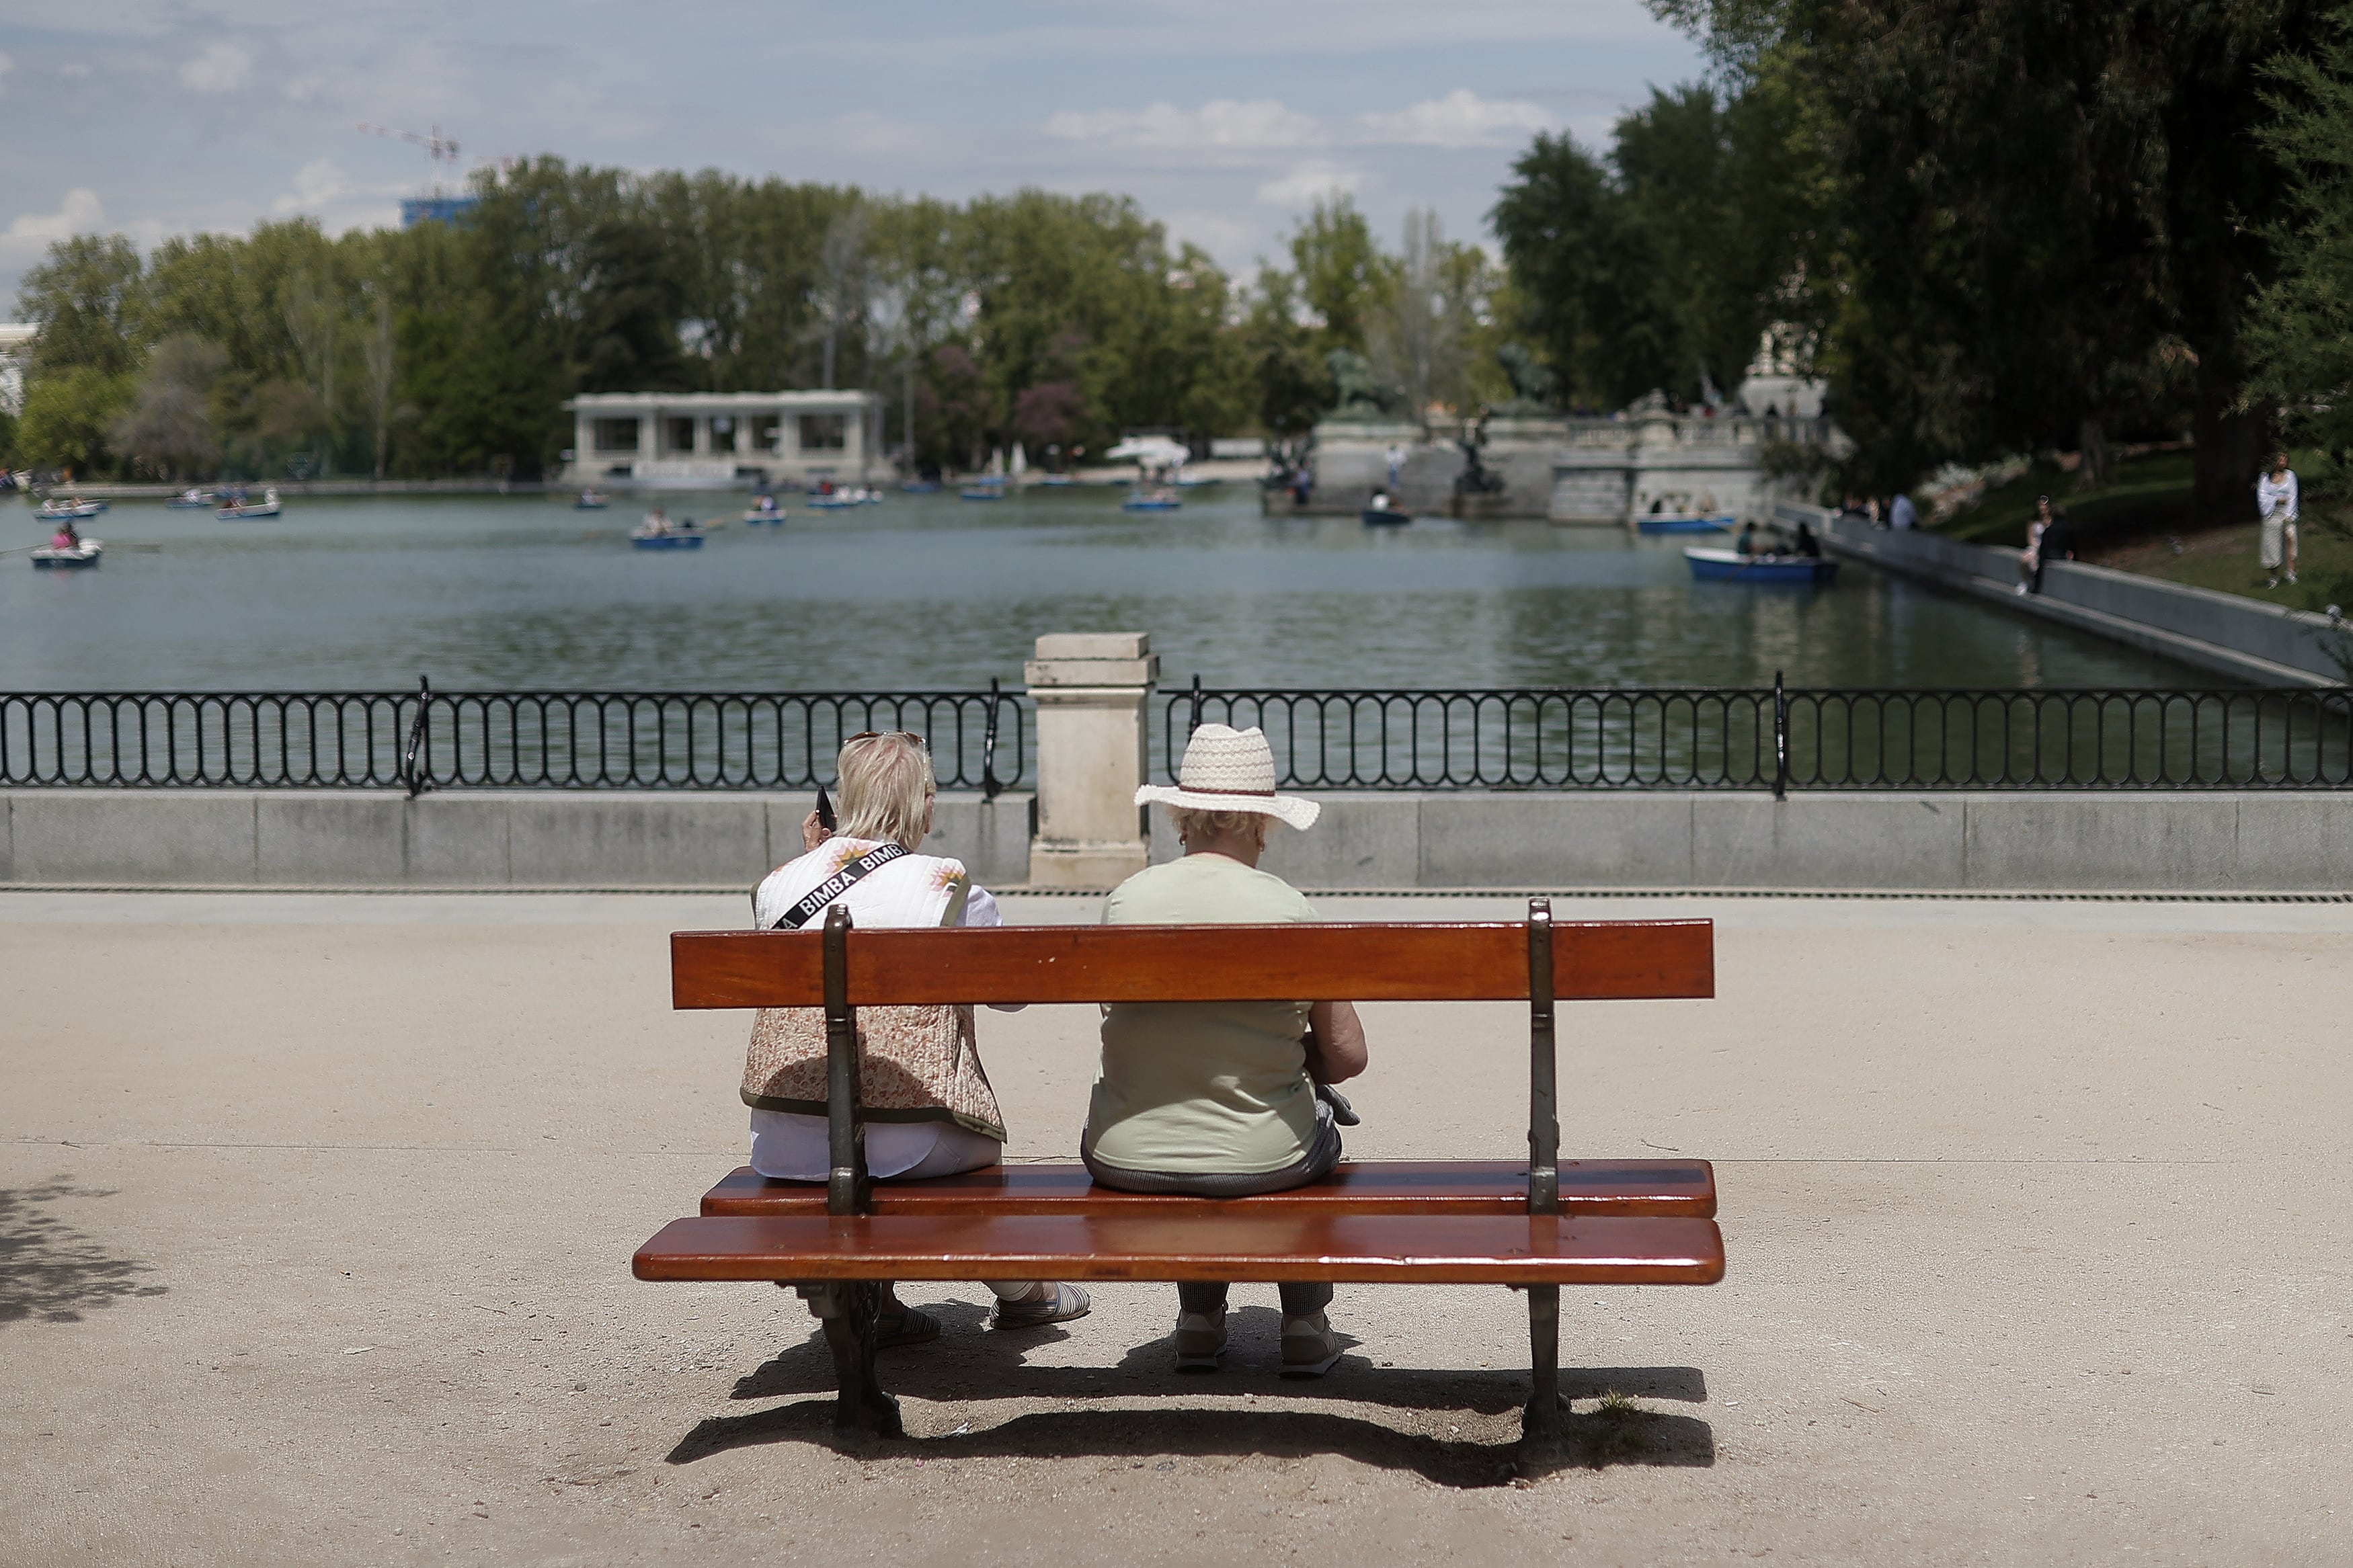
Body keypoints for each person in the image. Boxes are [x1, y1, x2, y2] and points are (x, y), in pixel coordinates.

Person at [744, 731, 1090, 1344]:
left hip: (790, 1144)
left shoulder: (776, 885)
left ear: (840, 801)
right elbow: (1013, 995)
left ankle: (878, 1303)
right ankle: (1025, 1291)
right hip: (915, 1143)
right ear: (924, 806)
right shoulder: (946, 885)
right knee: (977, 1152)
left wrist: (813, 859)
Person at [1087, 724, 1371, 1378]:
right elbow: (1348, 1054)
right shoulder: (1289, 910)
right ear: (1261, 823)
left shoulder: (1127, 901)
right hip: (1265, 1157)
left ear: (1182, 813)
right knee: (1319, 1118)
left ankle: (1197, 1320)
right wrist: (1299, 1060)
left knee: (1176, 1087)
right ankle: (1302, 1322)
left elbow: (1120, 1026)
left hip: (1126, 1153)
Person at [2258, 452, 2299, 589]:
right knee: (2272, 544)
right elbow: (2262, 496)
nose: (2284, 461)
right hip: (2272, 513)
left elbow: (2293, 495)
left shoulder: (2290, 476)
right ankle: (2273, 576)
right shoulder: (2265, 477)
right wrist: (2277, 499)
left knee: (2290, 539)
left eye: (2285, 459)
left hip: (2287, 511)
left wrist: (2289, 514)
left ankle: (2291, 572)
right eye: (2281, 459)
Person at [2035, 501, 2078, 593]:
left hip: (2050, 556)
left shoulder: (2049, 530)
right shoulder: (2069, 528)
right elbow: (2074, 547)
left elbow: (2043, 549)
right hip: (2061, 556)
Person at [2016, 495, 2050, 595]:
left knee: (2036, 564)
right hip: (2035, 547)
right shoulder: (2033, 521)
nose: (2042, 508)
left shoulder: (2050, 520)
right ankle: (2024, 582)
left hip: (2045, 547)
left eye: (2044, 506)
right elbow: (2030, 537)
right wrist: (2035, 548)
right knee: (2024, 560)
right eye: (2040, 506)